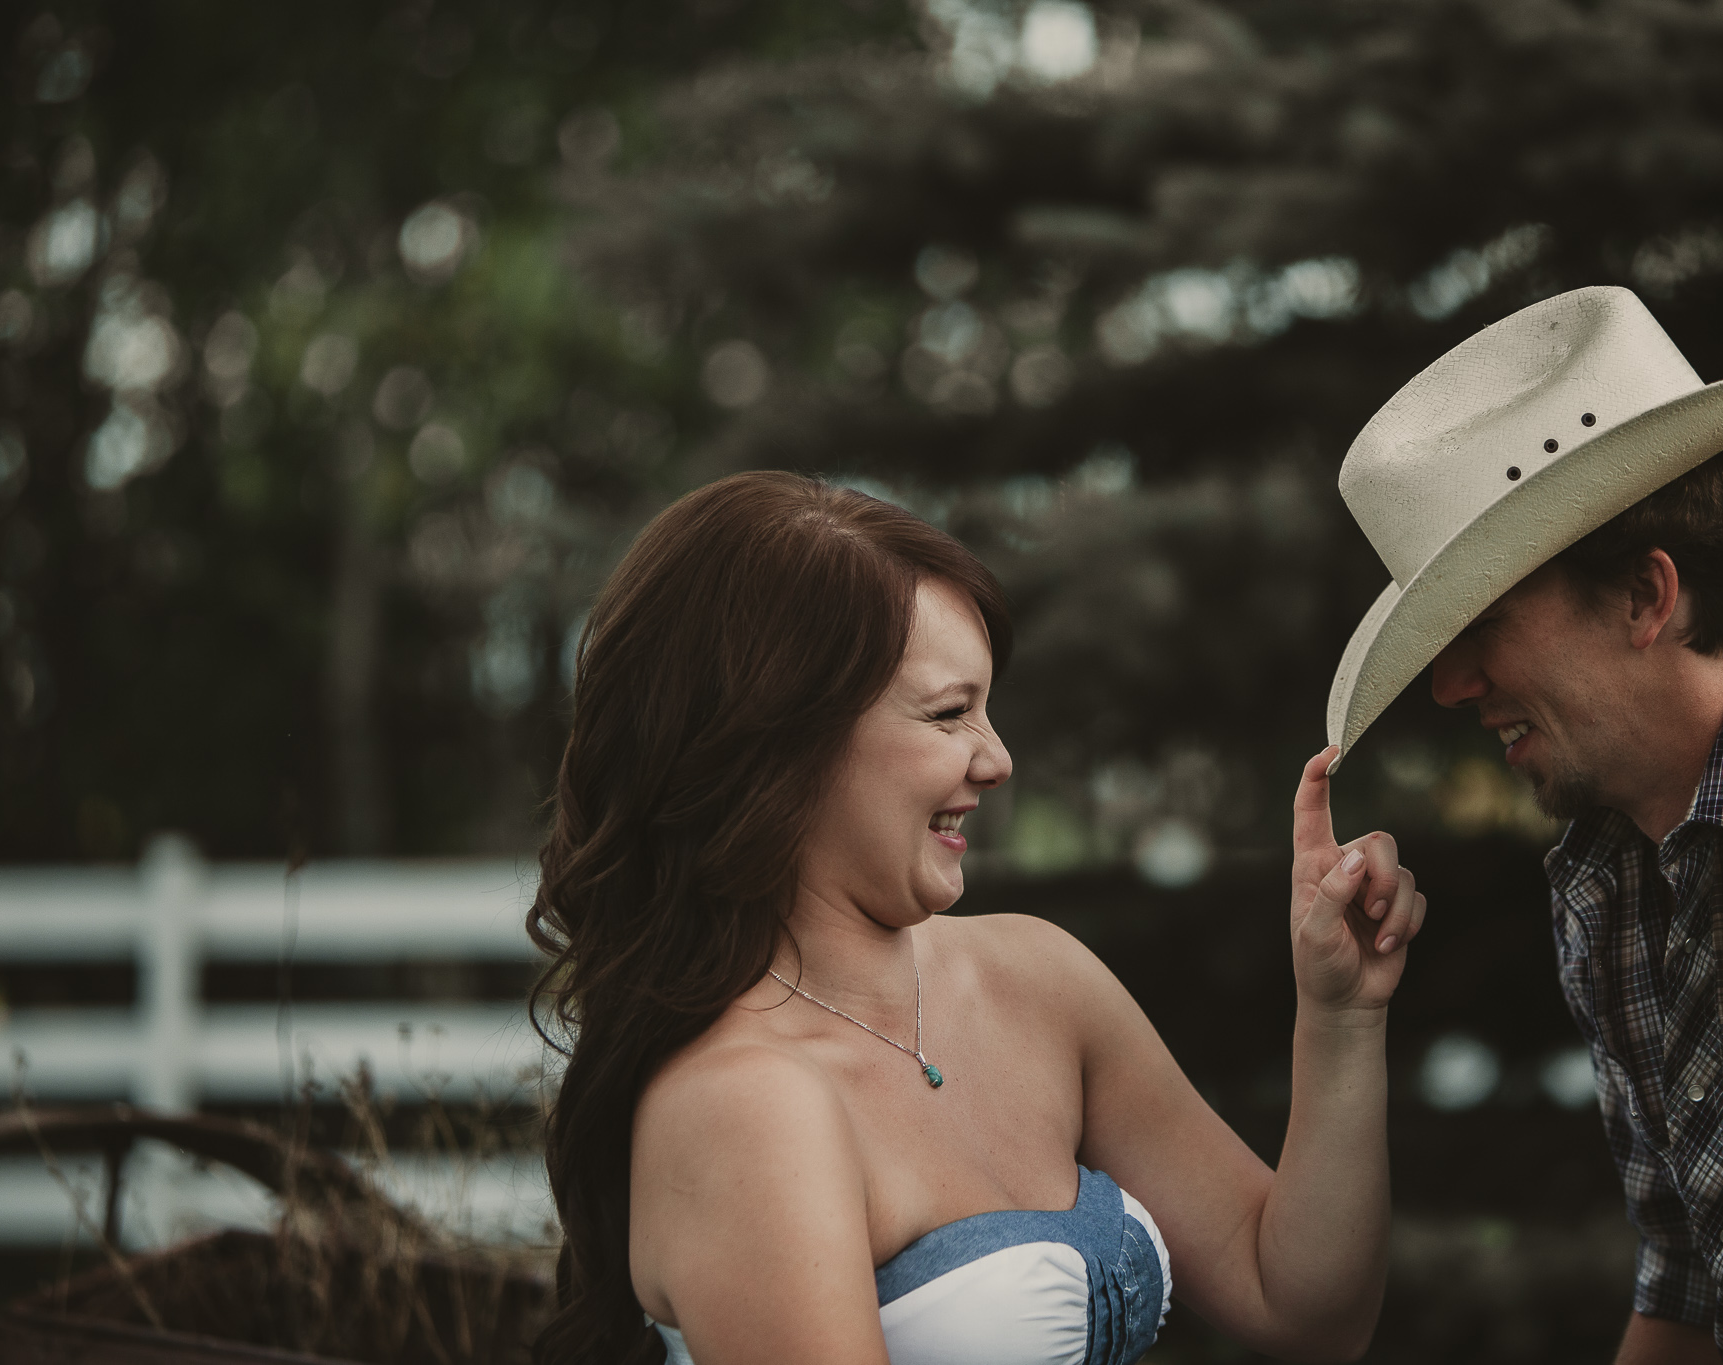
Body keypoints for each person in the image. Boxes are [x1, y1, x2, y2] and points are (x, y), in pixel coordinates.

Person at [527, 471, 1425, 1365]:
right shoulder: (745, 1104)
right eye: (950, 713)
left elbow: (1301, 1309)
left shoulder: (1038, 978)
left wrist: (1342, 1016)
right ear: (783, 741)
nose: (997, 760)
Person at [1325, 285, 1723, 1364]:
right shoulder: (1603, 889)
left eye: (1480, 623)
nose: (1448, 685)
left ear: (1643, 596)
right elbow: (1684, 1297)